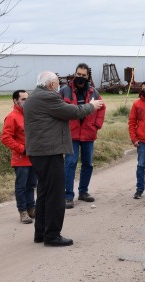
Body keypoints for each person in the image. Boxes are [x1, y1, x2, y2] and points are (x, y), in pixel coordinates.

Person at [24, 71, 104, 247]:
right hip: (49, 152)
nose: (58, 86)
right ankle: (52, 235)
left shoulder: (33, 97)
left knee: (44, 192)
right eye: (57, 83)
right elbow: (73, 112)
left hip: (38, 152)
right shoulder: (48, 98)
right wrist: (92, 106)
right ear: (52, 84)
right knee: (55, 195)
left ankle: (41, 232)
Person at [60, 63, 106, 209]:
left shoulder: (94, 92)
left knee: (88, 164)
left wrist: (96, 125)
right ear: (75, 74)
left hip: (88, 134)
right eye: (78, 74)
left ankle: (83, 192)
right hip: (71, 134)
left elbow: (101, 108)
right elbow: (58, 109)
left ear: (88, 76)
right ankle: (68, 196)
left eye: (83, 75)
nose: (80, 77)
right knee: (70, 164)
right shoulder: (64, 91)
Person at [0, 90, 37, 224]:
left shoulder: (31, 115)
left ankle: (31, 208)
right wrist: (21, 148)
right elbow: (5, 138)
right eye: (23, 99)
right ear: (15, 101)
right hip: (20, 159)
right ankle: (23, 211)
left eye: (28, 99)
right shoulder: (12, 117)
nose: (26, 102)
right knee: (21, 186)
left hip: (33, 156)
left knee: (32, 185)